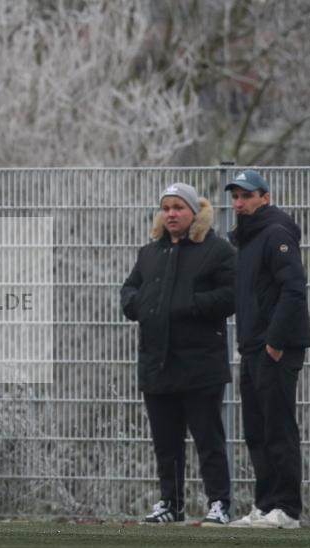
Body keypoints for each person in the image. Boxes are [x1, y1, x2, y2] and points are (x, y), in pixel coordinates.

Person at [121, 183, 235, 526]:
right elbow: (129, 290)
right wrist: (140, 304)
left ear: (193, 212)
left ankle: (219, 503)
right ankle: (171, 503)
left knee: (208, 440)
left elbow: (231, 294)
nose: (171, 213)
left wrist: (190, 304)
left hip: (200, 365)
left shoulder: (217, 250)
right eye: (166, 207)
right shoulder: (149, 253)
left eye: (178, 207)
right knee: (166, 443)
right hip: (157, 364)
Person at [226, 169, 310, 529]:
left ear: (265, 197)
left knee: (277, 428)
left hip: (275, 348)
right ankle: (265, 505)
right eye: (235, 196)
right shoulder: (247, 239)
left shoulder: (276, 233)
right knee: (256, 430)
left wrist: (275, 342)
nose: (239, 203)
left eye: (246, 195)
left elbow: (293, 290)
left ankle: (288, 510)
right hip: (252, 348)